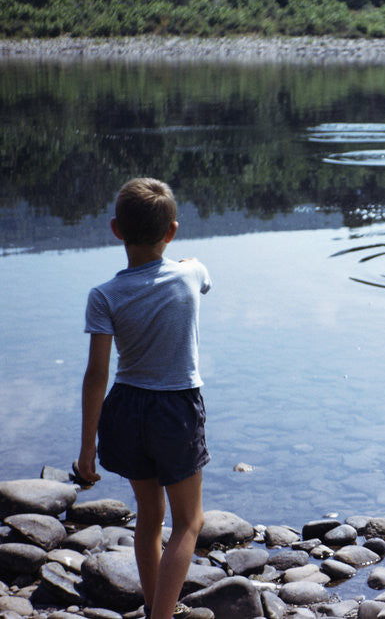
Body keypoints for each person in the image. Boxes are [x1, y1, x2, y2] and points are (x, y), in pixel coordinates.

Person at [76, 178, 212, 619]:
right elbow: (199, 274)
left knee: (149, 517)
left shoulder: (104, 295)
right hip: (174, 409)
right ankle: (161, 616)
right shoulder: (191, 272)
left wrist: (87, 446)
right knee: (189, 523)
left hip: (126, 408)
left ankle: (155, 606)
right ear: (171, 231)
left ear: (116, 230)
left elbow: (97, 375)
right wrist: (184, 259)